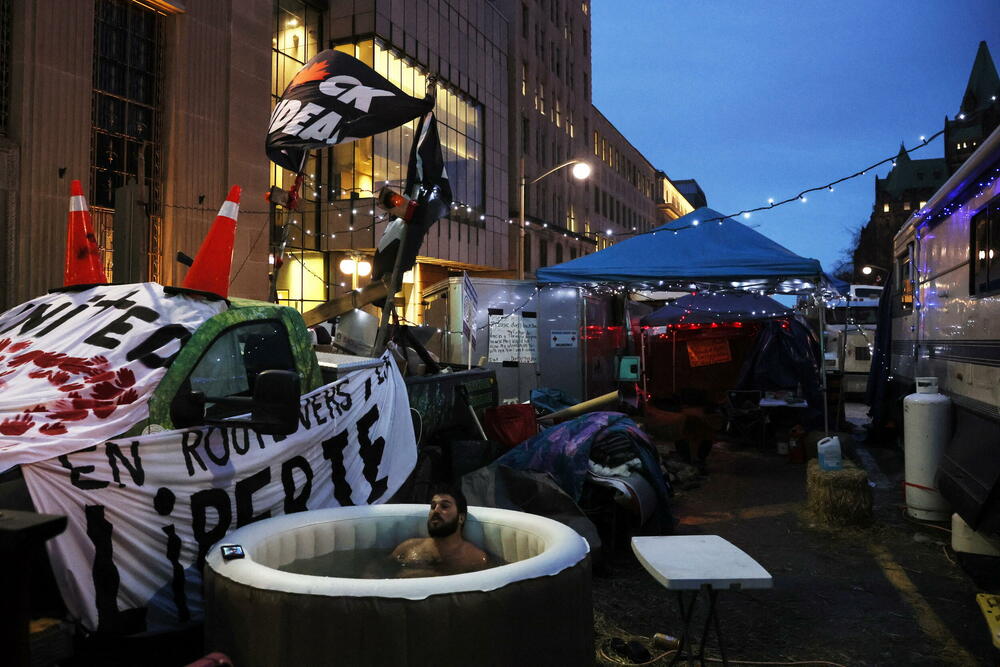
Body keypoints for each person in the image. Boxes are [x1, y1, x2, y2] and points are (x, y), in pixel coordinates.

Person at [389, 485, 490, 577]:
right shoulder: (407, 547)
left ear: (461, 518)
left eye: (444, 506)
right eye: (433, 506)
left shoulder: (475, 559)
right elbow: (383, 568)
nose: (436, 510)